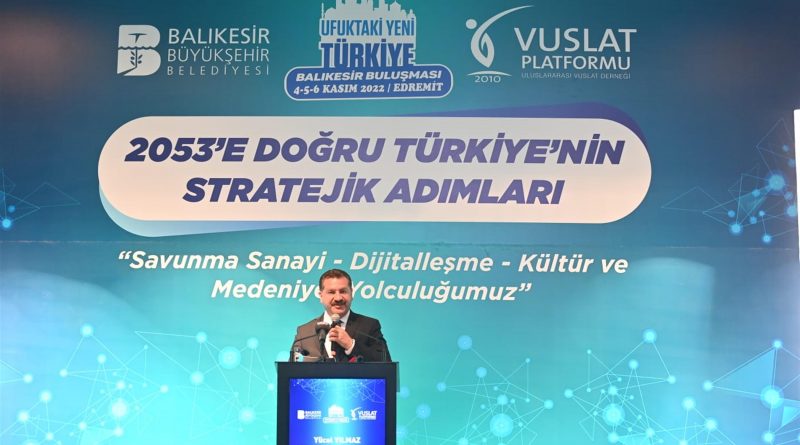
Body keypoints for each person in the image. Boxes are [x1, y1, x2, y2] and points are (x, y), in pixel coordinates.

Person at [291, 268, 391, 362]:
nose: (338, 298)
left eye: (343, 291)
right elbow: (291, 370)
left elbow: (386, 364)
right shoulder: (304, 333)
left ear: (351, 293)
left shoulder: (369, 326)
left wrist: (351, 345)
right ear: (321, 296)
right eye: (331, 292)